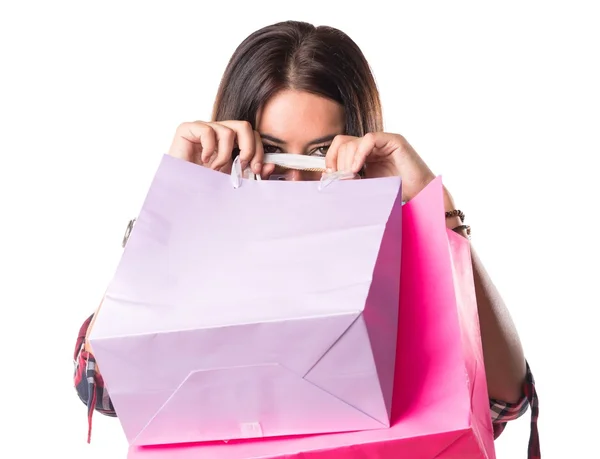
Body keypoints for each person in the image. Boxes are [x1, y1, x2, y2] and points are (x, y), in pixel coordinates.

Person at [73, 20, 539, 457]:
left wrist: (436, 212)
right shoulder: (194, 264)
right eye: (273, 152)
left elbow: (504, 400)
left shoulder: (395, 265)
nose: (296, 183)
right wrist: (172, 203)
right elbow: (99, 385)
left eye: (320, 154)